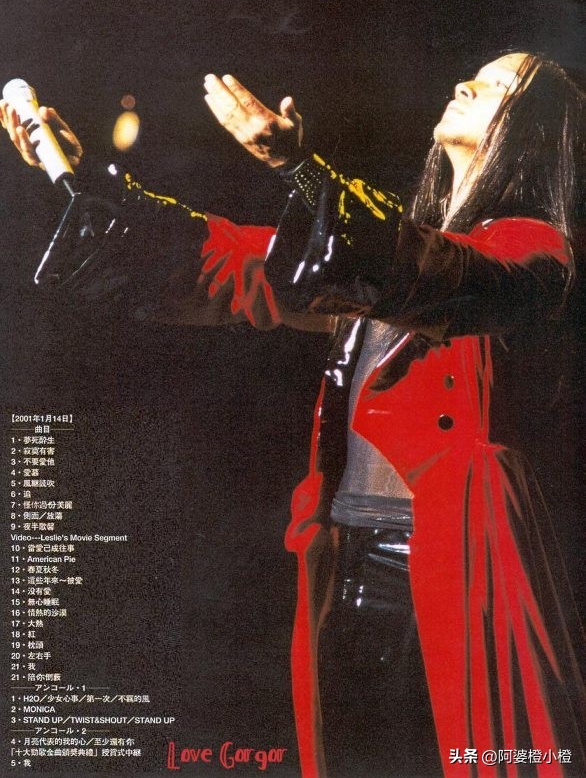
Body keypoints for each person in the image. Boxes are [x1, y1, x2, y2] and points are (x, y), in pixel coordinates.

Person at [1, 51, 584, 777]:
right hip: (351, 574)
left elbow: (444, 273)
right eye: (475, 74)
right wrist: (85, 182)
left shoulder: (537, 251)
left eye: (497, 87)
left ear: (532, 130)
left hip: (463, 570)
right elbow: (236, 259)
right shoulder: (391, 245)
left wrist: (301, 170)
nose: (466, 83)